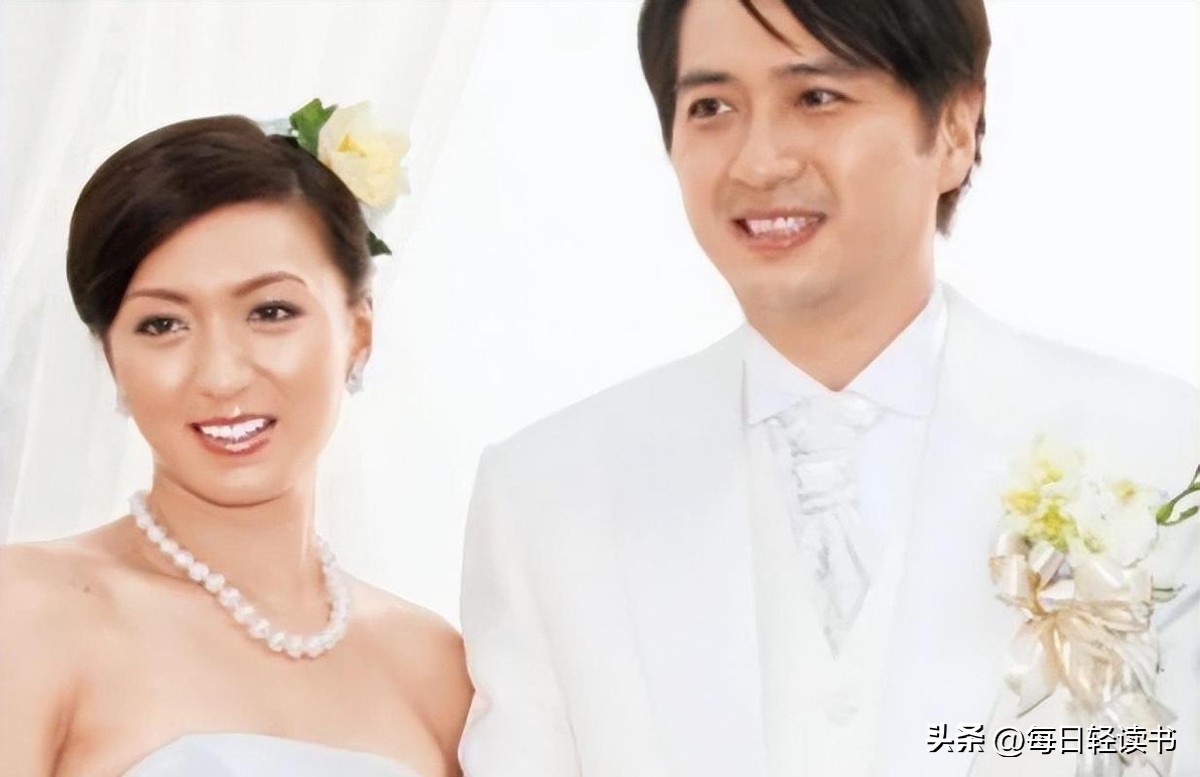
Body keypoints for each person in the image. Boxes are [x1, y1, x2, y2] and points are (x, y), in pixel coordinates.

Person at [457, 1, 1198, 776]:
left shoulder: (1158, 455)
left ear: (954, 128)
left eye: (816, 97)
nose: (758, 163)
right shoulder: (545, 496)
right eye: (711, 107)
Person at [0, 115, 471, 776]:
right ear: (110, 357)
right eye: (163, 324)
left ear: (359, 331)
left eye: (271, 312)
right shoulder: (28, 611)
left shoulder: (433, 667)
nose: (221, 376)